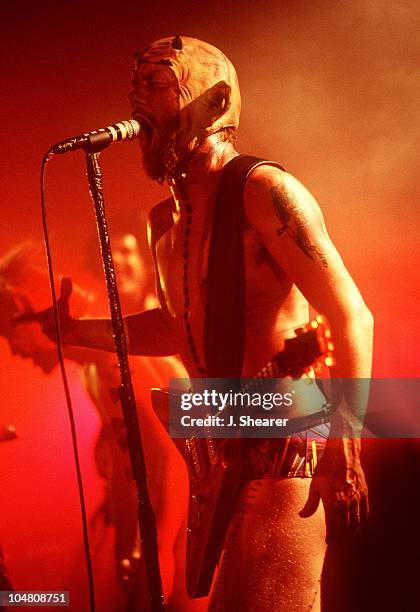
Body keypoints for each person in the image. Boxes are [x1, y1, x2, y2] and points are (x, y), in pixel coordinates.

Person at [23, 36, 373, 610]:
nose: (137, 98)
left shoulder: (264, 190)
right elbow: (178, 327)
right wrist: (77, 332)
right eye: (134, 86)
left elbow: (350, 312)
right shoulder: (166, 219)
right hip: (216, 441)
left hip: (284, 435)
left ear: (214, 103)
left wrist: (347, 442)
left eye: (156, 83)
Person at [1, 238, 199, 611]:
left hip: (186, 543)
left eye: (7, 333)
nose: (12, 350)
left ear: (26, 308)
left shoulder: (107, 362)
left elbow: (171, 462)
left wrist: (158, 551)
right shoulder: (94, 367)